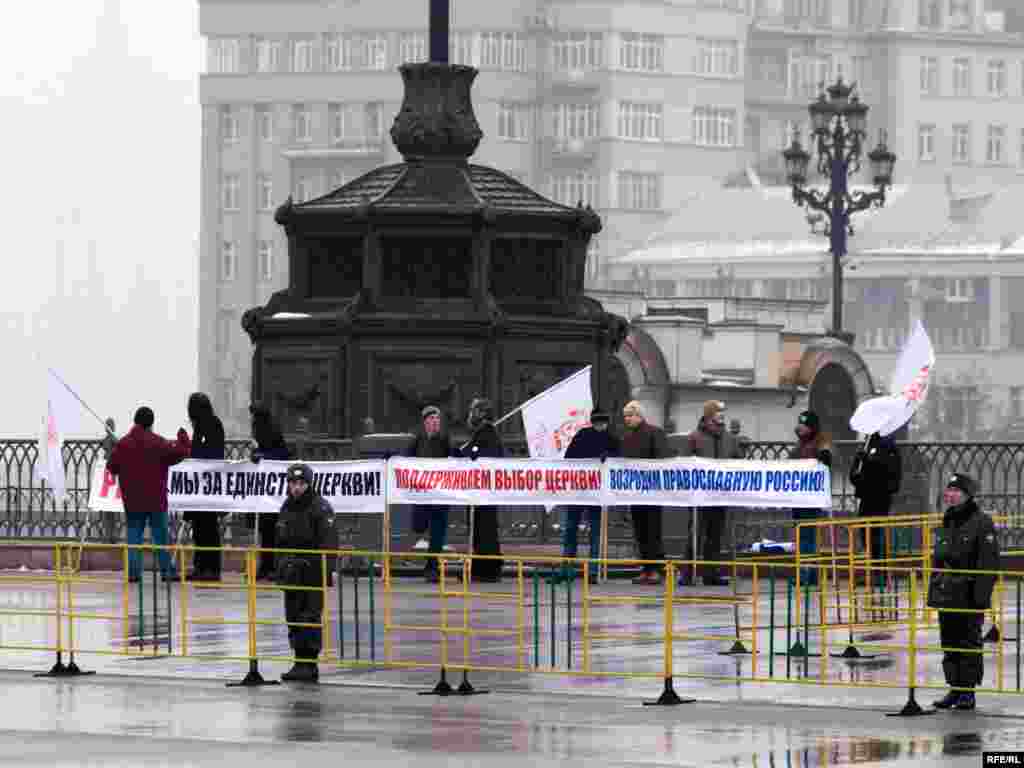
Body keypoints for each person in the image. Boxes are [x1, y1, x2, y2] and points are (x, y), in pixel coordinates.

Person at [928, 473, 999, 711]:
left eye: (955, 490)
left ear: (967, 495)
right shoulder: (947, 520)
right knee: (949, 642)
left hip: (968, 593)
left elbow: (988, 564)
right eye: (948, 489)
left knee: (968, 643)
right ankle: (955, 689)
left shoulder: (981, 522)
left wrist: (981, 598)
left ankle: (968, 692)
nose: (949, 494)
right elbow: (938, 560)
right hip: (947, 591)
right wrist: (934, 590)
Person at [106, 406, 191, 583]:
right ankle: (167, 572)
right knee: (160, 535)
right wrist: (183, 439)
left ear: (135, 421)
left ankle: (133, 573)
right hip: (155, 499)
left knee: (133, 535)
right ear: (151, 423)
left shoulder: (124, 443)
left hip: (132, 500)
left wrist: (119, 451)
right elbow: (180, 453)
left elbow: (112, 467)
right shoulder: (158, 442)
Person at [277, 463, 335, 683]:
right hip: (291, 572)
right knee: (292, 617)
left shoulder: (320, 508)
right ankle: (298, 662)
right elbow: (279, 541)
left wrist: (327, 572)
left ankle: (309, 664)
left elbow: (329, 543)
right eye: (293, 483)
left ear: (309, 484)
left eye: (301, 483)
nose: (297, 488)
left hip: (312, 572)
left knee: (309, 617)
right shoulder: (287, 506)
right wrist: (277, 569)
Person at [550, 405, 620, 584]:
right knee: (570, 529)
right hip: (578, 490)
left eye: (603, 422)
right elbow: (569, 458)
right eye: (598, 422)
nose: (600, 425)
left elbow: (618, 461)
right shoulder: (582, 435)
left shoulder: (612, 439)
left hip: (598, 492)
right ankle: (567, 569)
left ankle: (593, 571)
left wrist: (609, 457)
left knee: (595, 531)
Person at [684, 401, 745, 586]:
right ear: (709, 414)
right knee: (695, 532)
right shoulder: (695, 437)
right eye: (718, 412)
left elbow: (738, 461)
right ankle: (687, 573)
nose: (722, 415)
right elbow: (686, 462)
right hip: (699, 495)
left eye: (722, 412)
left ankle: (711, 573)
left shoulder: (729, 438)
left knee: (715, 535)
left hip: (720, 494)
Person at [403, 405, 458, 582]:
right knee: (418, 525)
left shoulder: (444, 438)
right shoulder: (417, 440)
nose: (436, 422)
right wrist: (392, 459)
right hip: (422, 493)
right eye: (432, 419)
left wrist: (458, 455)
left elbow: (453, 454)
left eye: (438, 419)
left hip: (440, 495)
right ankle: (428, 562)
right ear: (425, 421)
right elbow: (406, 457)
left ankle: (432, 568)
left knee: (437, 533)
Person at [621, 401, 672, 585]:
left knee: (653, 531)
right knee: (640, 531)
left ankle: (656, 569)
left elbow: (663, 457)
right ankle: (646, 568)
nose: (627, 419)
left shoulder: (654, 433)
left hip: (652, 491)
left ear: (639, 415)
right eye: (625, 416)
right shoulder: (627, 437)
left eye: (630, 415)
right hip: (635, 492)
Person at [183, 393, 226, 582]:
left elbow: (212, 452)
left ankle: (213, 568)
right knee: (199, 528)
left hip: (209, 484)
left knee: (209, 528)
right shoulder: (200, 425)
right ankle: (200, 566)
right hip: (198, 486)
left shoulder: (213, 424)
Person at [849, 431, 902, 585]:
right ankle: (873, 571)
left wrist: (869, 461)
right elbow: (856, 475)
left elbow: (888, 471)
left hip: (880, 497)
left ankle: (880, 573)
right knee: (865, 534)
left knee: (876, 535)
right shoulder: (868, 444)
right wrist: (856, 465)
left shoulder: (889, 446)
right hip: (866, 496)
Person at [461, 397, 504, 583]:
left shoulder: (487, 433)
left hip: (484, 492)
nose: (471, 414)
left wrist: (467, 453)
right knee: (480, 529)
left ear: (482, 414)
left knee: (484, 530)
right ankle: (482, 567)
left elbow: (481, 456)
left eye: (474, 411)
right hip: (480, 492)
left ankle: (487, 569)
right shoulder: (482, 433)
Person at [789, 410, 832, 587]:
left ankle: (806, 574)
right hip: (798, 496)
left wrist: (823, 458)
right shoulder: (800, 444)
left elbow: (826, 459)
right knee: (804, 536)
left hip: (811, 498)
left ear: (812, 427)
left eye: (804, 425)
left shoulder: (820, 442)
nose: (800, 428)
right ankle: (811, 573)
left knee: (807, 536)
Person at [249, 404, 291, 581]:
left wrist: (264, 456)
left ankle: (272, 567)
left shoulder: (272, 431)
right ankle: (265, 566)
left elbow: (283, 454)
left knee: (272, 530)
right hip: (264, 489)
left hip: (275, 491)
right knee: (265, 531)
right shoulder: (261, 431)